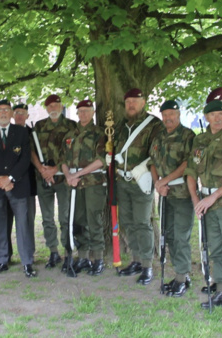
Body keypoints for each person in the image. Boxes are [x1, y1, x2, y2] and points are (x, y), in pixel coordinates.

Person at [186, 100, 222, 320]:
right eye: (214, 115)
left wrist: (212, 197)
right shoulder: (199, 140)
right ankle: (220, 291)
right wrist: (195, 199)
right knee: (216, 250)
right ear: (207, 117)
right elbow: (191, 171)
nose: (219, 118)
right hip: (205, 203)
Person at [0, 99, 37, 278]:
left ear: (11, 114)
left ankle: (27, 262)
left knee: (23, 225)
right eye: (0, 110)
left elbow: (25, 158)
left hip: (17, 185)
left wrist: (10, 178)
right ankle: (1, 260)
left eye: (6, 110)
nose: (3, 113)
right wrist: (0, 180)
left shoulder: (21, 132)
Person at [113, 88, 164, 285]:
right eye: (128, 102)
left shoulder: (153, 125)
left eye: (135, 101)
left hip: (141, 181)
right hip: (122, 181)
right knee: (127, 221)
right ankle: (135, 259)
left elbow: (157, 152)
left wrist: (142, 168)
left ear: (143, 102)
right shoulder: (120, 125)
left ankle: (147, 265)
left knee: (143, 223)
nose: (131, 104)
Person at [149, 100, 196, 296]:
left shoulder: (188, 136)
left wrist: (165, 180)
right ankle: (181, 275)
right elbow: (152, 162)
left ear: (178, 114)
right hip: (165, 194)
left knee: (181, 236)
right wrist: (158, 183)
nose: (168, 118)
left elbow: (188, 163)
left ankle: (181, 277)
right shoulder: (159, 137)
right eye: (165, 114)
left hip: (182, 194)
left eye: (171, 114)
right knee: (168, 235)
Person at [60, 99, 107, 275]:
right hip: (73, 184)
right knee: (78, 221)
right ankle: (83, 257)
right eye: (80, 111)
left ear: (93, 112)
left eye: (87, 111)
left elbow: (101, 160)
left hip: (92, 183)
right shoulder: (70, 135)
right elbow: (63, 160)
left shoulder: (99, 134)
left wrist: (77, 175)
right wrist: (68, 176)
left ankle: (98, 259)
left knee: (93, 219)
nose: (83, 114)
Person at [31, 94, 77, 270]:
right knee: (47, 218)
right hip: (43, 180)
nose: (53, 108)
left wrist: (55, 169)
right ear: (46, 107)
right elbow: (32, 151)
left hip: (64, 179)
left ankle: (68, 252)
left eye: (56, 105)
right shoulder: (39, 126)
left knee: (66, 217)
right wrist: (42, 170)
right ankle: (53, 252)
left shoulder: (71, 126)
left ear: (61, 106)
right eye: (49, 106)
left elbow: (74, 153)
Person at [10, 103, 37, 262]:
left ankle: (29, 254)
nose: (19, 116)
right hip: (7, 184)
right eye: (17, 113)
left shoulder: (32, 133)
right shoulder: (6, 132)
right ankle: (5, 256)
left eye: (23, 113)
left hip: (28, 183)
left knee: (27, 221)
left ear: (27, 116)